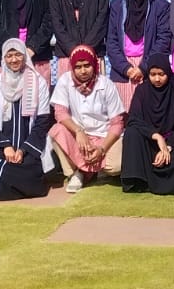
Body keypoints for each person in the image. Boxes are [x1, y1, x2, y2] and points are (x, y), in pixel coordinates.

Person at [0, 39, 53, 201]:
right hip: (1, 145)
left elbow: (42, 121)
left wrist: (23, 150)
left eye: (18, 55)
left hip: (29, 145)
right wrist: (6, 147)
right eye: (9, 56)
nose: (14, 60)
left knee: (28, 169)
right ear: (4, 58)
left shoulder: (38, 82)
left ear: (25, 56)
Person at [49, 46, 125, 192]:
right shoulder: (65, 81)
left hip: (104, 136)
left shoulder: (106, 84)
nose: (83, 71)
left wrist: (102, 149)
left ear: (94, 64)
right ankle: (76, 173)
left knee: (116, 166)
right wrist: (78, 132)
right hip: (79, 137)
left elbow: (117, 123)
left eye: (87, 65)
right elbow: (60, 113)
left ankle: (88, 171)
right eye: (78, 67)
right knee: (56, 131)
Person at [118, 53, 174, 194]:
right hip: (148, 142)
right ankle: (138, 181)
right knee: (131, 132)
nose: (157, 79)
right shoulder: (142, 91)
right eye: (153, 74)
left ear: (168, 73)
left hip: (172, 144)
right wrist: (156, 136)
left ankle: (157, 181)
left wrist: (168, 147)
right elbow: (134, 119)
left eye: (161, 74)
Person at [107, 0, 172, 108]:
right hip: (123, 71)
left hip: (149, 68)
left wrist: (143, 68)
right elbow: (111, 41)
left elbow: (163, 40)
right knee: (123, 113)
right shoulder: (117, 6)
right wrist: (126, 68)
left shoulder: (160, 7)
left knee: (148, 111)